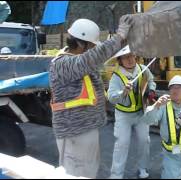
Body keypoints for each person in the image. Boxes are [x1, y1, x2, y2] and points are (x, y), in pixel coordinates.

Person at [49, 15, 133, 178]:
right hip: (74, 131)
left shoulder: (77, 60)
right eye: (91, 46)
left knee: (88, 170)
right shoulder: (62, 64)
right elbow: (93, 58)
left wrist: (125, 39)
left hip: (85, 129)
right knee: (76, 174)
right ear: (81, 43)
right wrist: (119, 37)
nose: (93, 49)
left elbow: (97, 62)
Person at [107, 45, 156, 179]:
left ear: (136, 55)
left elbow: (151, 80)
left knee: (144, 141)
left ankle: (143, 168)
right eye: (125, 57)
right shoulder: (116, 76)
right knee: (122, 143)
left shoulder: (143, 69)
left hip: (141, 113)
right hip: (123, 116)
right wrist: (121, 92)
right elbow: (110, 97)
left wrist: (151, 90)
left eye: (131, 56)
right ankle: (116, 174)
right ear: (120, 60)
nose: (129, 59)